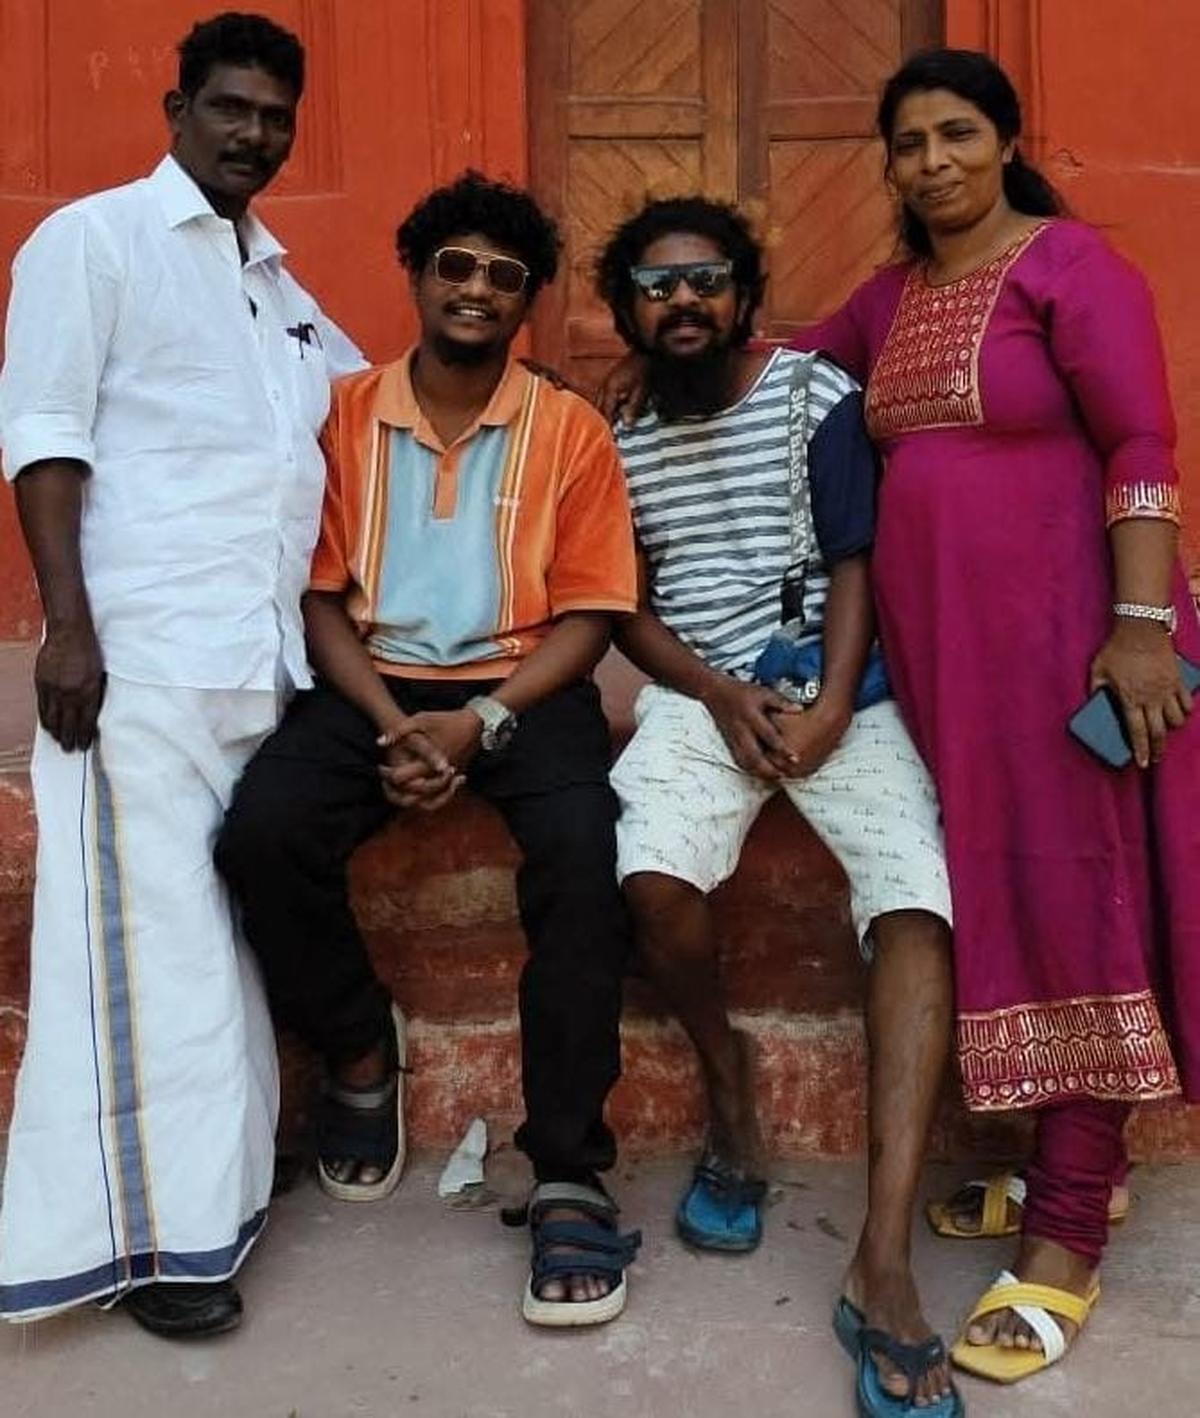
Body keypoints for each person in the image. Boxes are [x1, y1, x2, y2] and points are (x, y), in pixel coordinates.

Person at [605, 46, 1200, 1389]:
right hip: (944, 669)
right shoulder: (892, 300)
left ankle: (1064, 1227)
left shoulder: (1070, 270)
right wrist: (666, 353)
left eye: (956, 134)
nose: (931, 160)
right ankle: (1067, 1169)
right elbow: (778, 359)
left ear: (1003, 141)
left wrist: (1141, 627)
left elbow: (1144, 447)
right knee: (994, 895)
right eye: (910, 142)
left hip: (1067, 647)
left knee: (1077, 896)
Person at [214, 171, 643, 1329]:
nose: (476, 289)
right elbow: (317, 598)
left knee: (583, 853)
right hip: (369, 680)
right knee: (260, 832)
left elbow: (594, 612)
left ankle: (566, 1166)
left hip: (520, 684)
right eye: (455, 265)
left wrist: (481, 719)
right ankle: (360, 1047)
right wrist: (395, 721)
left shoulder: (568, 429)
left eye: (504, 276)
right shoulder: (346, 415)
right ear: (417, 276)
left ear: (526, 304)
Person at [0, 13, 365, 1336]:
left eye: (275, 115)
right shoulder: (93, 242)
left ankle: (213, 1200)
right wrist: (69, 625)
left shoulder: (278, 283)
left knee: (211, 948)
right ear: (176, 107)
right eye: (229, 108)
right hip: (134, 667)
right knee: (139, 958)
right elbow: (44, 430)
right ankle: (149, 1250)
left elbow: (369, 409)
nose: (252, 134)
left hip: (252, 666)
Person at [597, 196, 960, 1415]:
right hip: (703, 690)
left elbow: (856, 555)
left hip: (839, 681)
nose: (684, 302)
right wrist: (714, 691)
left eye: (707, 281)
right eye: (657, 284)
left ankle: (887, 1257)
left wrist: (836, 702)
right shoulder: (622, 432)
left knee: (916, 903)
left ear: (746, 295)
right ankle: (735, 1108)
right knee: (650, 879)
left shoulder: (814, 398)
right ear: (627, 309)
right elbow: (619, 605)